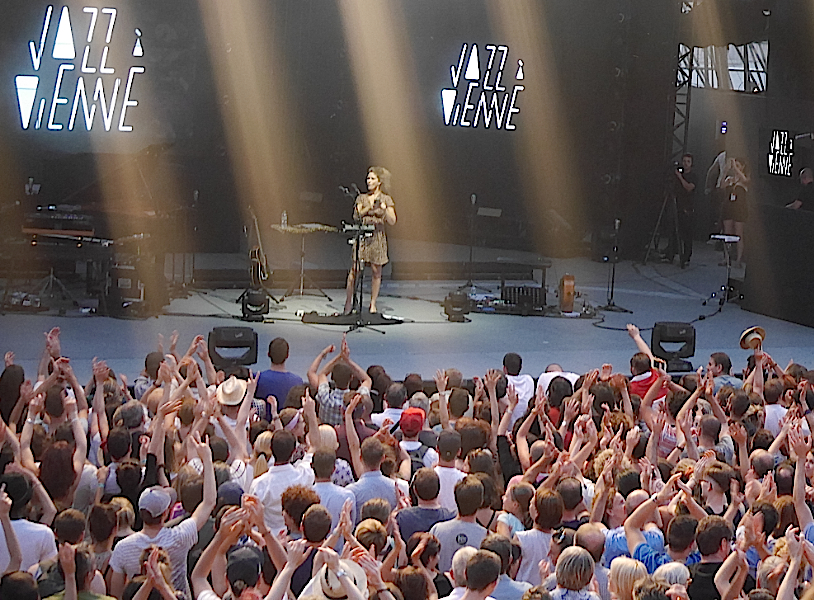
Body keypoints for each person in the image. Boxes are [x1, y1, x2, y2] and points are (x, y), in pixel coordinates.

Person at [344, 166, 397, 315]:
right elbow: (357, 215)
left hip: (377, 237)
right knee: (354, 270)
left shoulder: (386, 198)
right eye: (368, 178)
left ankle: (372, 304)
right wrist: (369, 208)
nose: (369, 181)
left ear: (379, 182)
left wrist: (385, 209)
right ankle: (348, 302)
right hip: (362, 236)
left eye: (372, 178)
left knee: (376, 271)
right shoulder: (361, 198)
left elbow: (392, 220)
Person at [664, 153, 698, 268]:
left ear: (691, 164)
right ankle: (671, 253)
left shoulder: (693, 176)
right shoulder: (678, 175)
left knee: (686, 234)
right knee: (673, 231)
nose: (685, 164)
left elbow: (688, 188)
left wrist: (680, 177)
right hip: (676, 206)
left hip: (687, 208)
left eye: (688, 161)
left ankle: (686, 257)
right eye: (684, 161)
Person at [255, 337, 303, 416]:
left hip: (263, 426)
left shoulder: (257, 378)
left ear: (268, 354)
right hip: (289, 426)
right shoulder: (298, 381)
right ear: (287, 355)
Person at [720, 157, 749, 267]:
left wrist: (737, 169)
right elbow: (722, 185)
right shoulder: (730, 179)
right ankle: (726, 258)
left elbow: (745, 180)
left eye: (738, 165)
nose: (735, 167)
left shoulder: (743, 180)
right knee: (727, 233)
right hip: (728, 208)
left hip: (739, 209)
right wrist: (726, 170)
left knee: (738, 234)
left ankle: (738, 259)